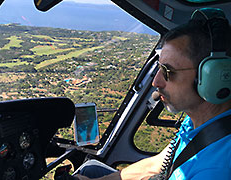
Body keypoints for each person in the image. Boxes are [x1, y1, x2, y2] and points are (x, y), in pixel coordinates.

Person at [67, 8, 231, 180]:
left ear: (213, 77)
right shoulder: (197, 120)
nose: (156, 82)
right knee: (89, 170)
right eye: (159, 68)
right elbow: (157, 164)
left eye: (168, 71)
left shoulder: (214, 171)